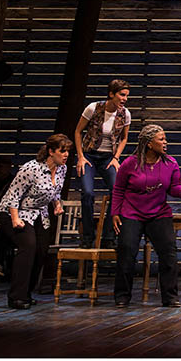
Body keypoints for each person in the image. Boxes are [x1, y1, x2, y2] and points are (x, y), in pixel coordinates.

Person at [112, 125, 181, 308]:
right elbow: (118, 189)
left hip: (158, 212)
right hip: (132, 212)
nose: (165, 142)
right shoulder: (130, 164)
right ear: (149, 144)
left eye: (165, 139)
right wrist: (115, 213)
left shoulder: (170, 163)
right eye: (161, 139)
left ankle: (170, 297)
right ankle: (122, 296)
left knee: (169, 253)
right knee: (127, 251)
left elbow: (174, 188)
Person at [0, 134, 70, 309]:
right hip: (13, 211)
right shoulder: (31, 168)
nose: (66, 154)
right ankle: (16, 297)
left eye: (67, 151)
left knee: (41, 251)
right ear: (51, 151)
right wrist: (15, 219)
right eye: (62, 151)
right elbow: (13, 194)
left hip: (39, 213)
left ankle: (27, 294)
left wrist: (57, 204)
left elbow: (55, 190)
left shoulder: (62, 169)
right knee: (28, 246)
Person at [74, 79, 131, 248]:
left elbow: (124, 138)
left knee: (117, 192)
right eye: (122, 95)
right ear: (111, 94)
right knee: (88, 193)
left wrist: (116, 158)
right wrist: (80, 156)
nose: (124, 99)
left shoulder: (125, 114)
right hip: (90, 156)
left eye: (126, 96)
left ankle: (108, 236)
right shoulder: (93, 108)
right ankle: (87, 237)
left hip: (108, 158)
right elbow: (78, 132)